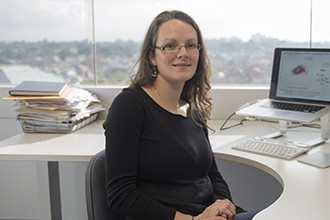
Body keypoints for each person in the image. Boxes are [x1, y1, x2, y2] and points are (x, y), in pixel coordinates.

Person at [103, 10, 259, 220]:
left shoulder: (190, 107)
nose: (183, 52)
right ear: (152, 56)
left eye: (191, 45)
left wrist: (223, 207)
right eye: (170, 46)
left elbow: (212, 174)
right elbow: (121, 195)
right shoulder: (129, 106)